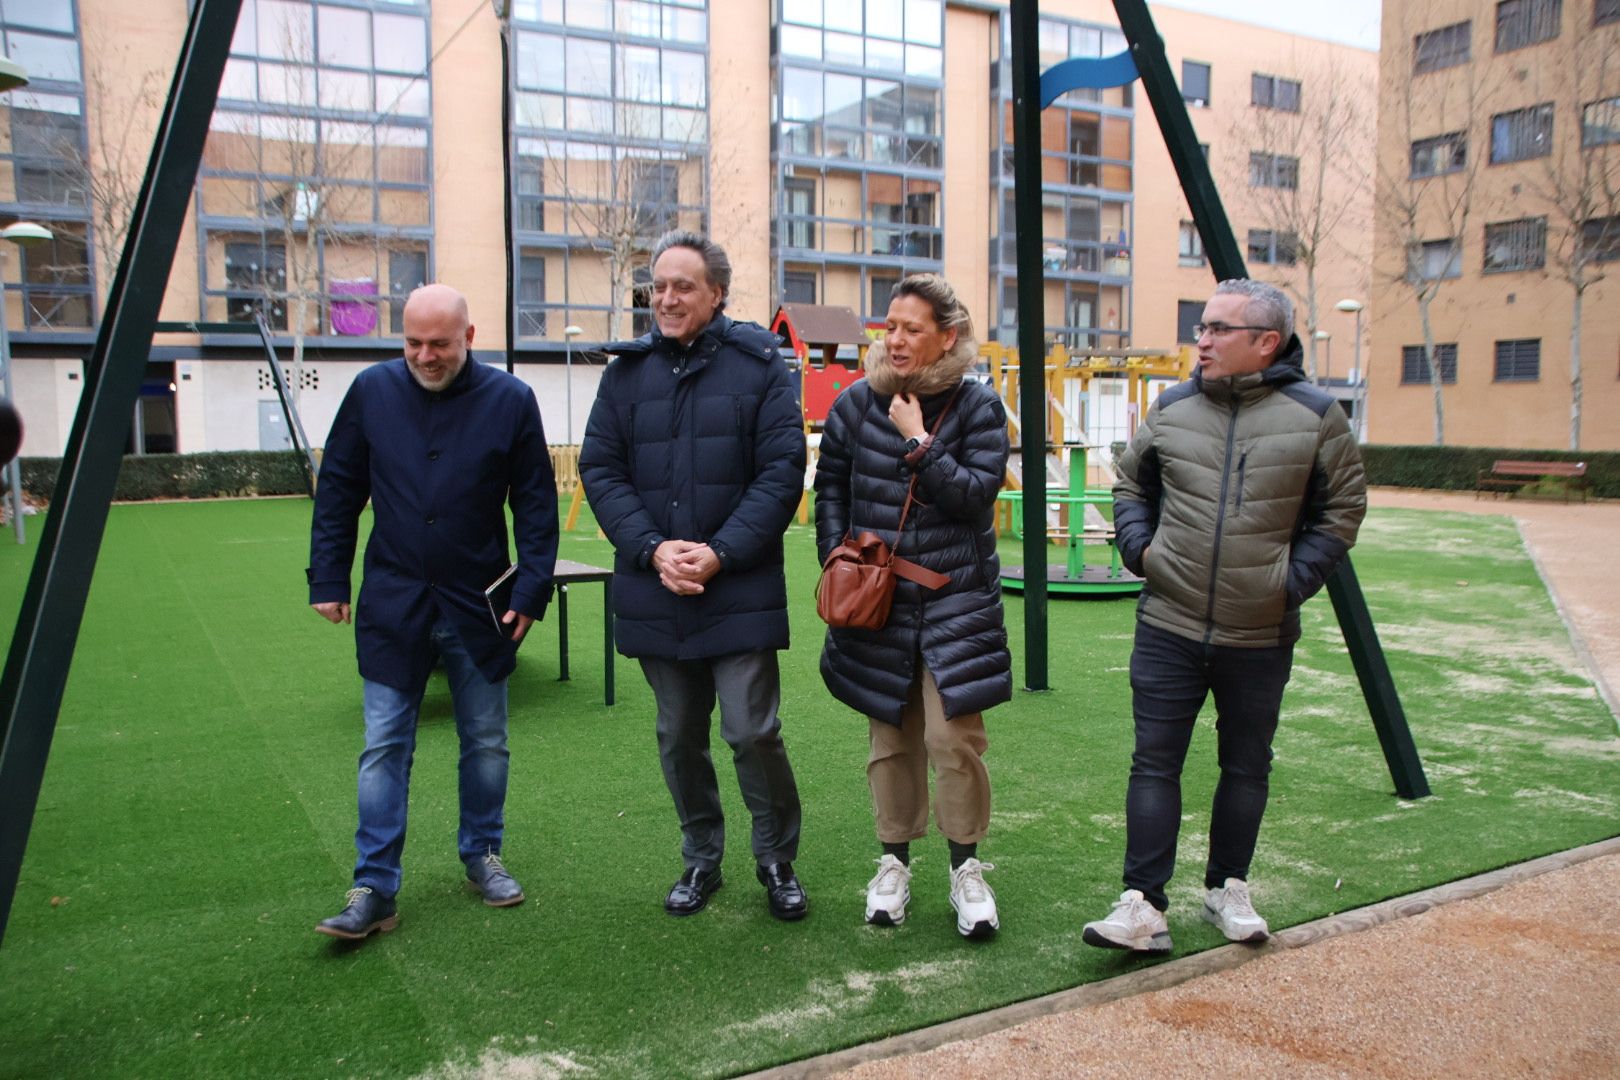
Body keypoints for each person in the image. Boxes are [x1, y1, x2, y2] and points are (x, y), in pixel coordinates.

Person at [1082, 278, 1366, 953]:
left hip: (1260, 631)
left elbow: (1343, 510)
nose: (1200, 340)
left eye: (1217, 329)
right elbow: (1131, 482)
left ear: (1266, 342)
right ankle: (1142, 905)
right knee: (1154, 763)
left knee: (1246, 765)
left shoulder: (1316, 415)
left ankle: (1226, 888)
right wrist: (1139, 550)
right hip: (1168, 624)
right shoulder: (1174, 407)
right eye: (1201, 327)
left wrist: (1287, 584)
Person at [307, 283, 558, 940]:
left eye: (439, 344)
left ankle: (481, 854)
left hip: (481, 606)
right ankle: (374, 887)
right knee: (384, 745)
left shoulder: (510, 401)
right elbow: (337, 489)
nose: (425, 355)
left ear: (469, 338)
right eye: (413, 343)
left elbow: (535, 505)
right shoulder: (371, 392)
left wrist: (531, 591)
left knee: (485, 741)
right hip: (394, 602)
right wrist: (328, 577)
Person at [579, 231, 809, 920]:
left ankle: (775, 858)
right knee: (679, 734)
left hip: (736, 583)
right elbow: (602, 469)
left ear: (716, 294)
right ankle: (701, 858)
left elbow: (781, 473)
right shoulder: (625, 375)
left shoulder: (762, 367)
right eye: (659, 285)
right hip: (658, 585)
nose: (667, 298)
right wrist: (652, 549)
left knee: (750, 731)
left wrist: (720, 552)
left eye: (683, 285)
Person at [813, 273, 1011, 938]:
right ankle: (893, 863)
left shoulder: (980, 409)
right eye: (889, 326)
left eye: (911, 328)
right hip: (877, 600)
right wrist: (839, 562)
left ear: (947, 337)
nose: (894, 339)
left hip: (957, 599)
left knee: (953, 739)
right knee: (890, 740)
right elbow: (831, 489)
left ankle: (966, 868)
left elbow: (976, 497)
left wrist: (917, 440)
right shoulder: (851, 406)